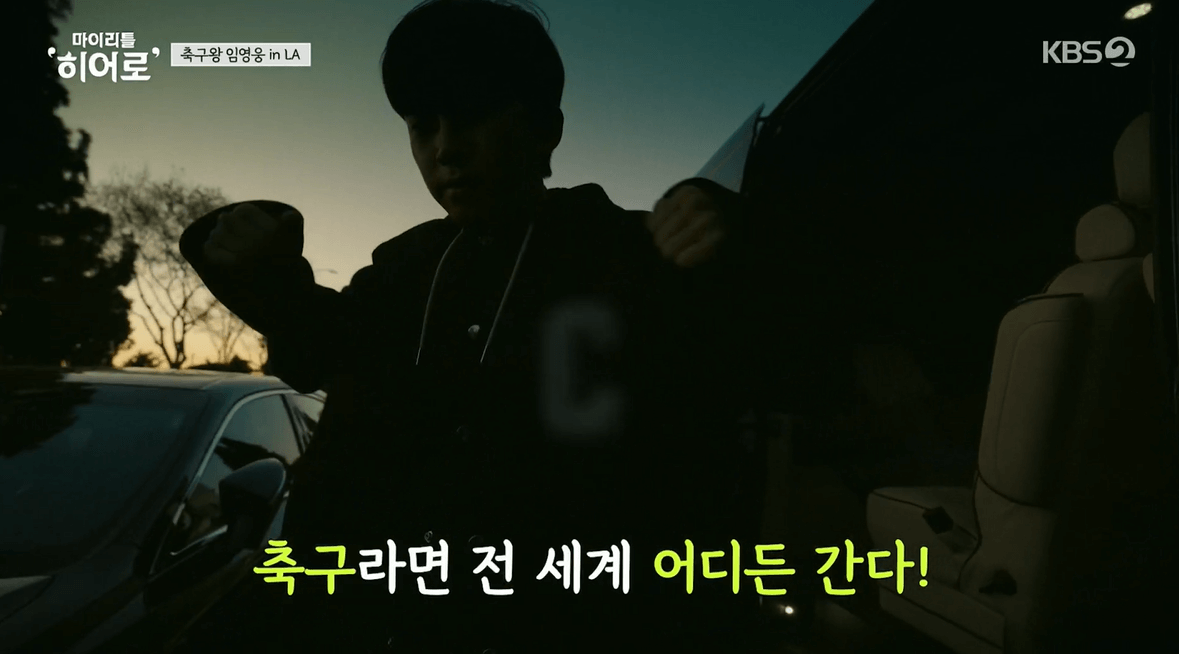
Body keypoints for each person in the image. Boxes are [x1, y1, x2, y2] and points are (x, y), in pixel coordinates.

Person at [179, 1, 772, 651]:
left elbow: (762, 355)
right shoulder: (402, 268)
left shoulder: (630, 254)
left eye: (470, 116)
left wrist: (735, 243)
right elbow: (320, 347)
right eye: (422, 126)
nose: (445, 149)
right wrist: (264, 275)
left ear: (545, 129)